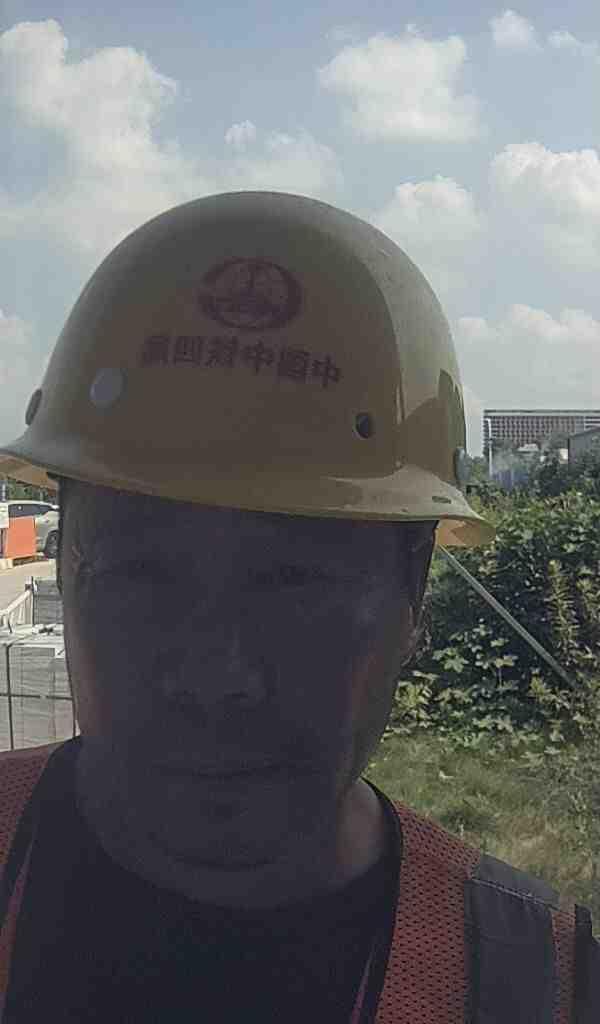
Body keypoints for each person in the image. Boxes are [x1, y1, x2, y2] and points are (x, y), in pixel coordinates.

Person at [0, 192, 596, 1022]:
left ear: (415, 591)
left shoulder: (536, 986)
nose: (215, 676)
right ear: (64, 568)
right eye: (142, 574)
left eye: (295, 587)